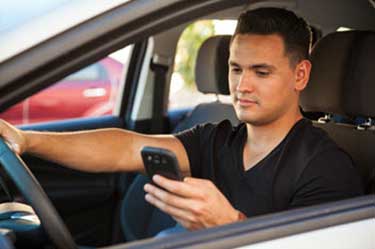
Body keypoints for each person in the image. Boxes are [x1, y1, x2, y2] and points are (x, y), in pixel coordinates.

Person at [0, 8, 363, 232]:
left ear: (300, 75)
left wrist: (230, 226)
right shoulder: (217, 138)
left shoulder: (326, 169)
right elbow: (124, 147)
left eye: (262, 72)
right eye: (236, 69)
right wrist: (26, 140)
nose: (242, 85)